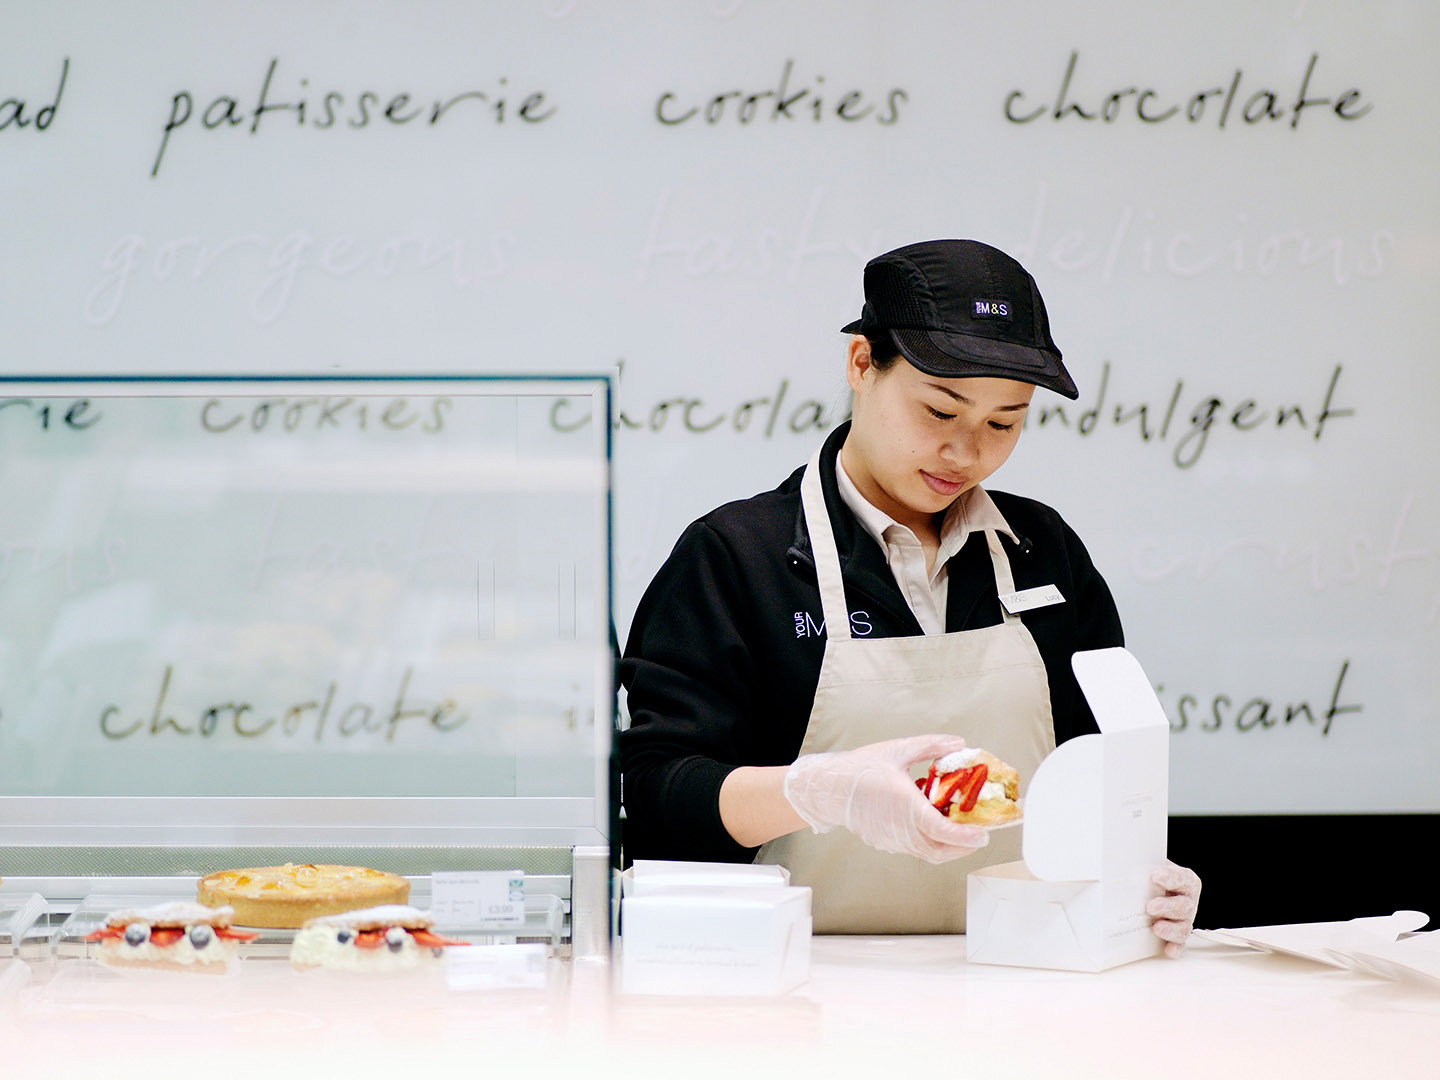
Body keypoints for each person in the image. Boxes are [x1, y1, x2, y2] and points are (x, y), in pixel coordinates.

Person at [618, 239, 1200, 949]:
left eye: (1003, 423)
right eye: (939, 411)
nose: (966, 451)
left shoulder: (1045, 552)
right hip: (799, 986)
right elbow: (655, 794)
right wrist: (817, 792)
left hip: (1025, 978)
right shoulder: (736, 558)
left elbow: (1101, 772)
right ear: (862, 364)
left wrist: (1140, 875)